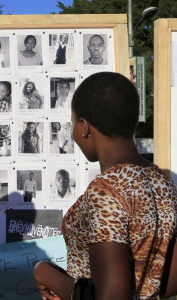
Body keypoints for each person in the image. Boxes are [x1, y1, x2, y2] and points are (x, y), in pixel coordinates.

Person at [34, 72, 177, 300]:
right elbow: (165, 279)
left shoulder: (106, 192)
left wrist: (45, 274)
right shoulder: (164, 183)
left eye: (73, 123)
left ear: (84, 127)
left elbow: (111, 296)